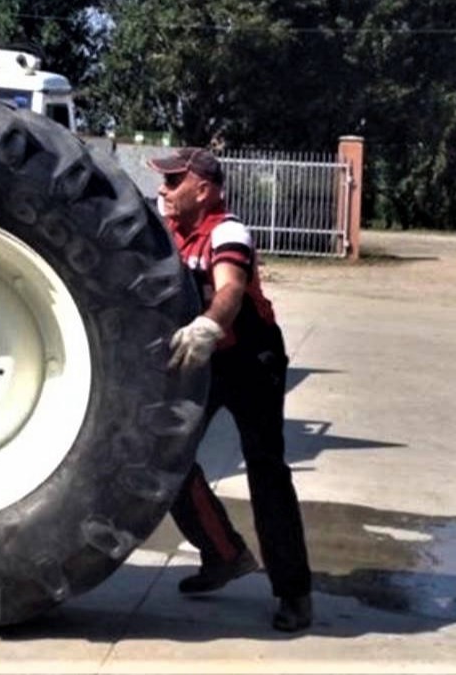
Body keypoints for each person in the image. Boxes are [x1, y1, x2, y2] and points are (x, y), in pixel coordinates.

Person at [150, 146, 313, 633]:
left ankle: (295, 593)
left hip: (252, 359)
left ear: (204, 189)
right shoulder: (170, 234)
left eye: (174, 180)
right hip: (208, 360)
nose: (164, 188)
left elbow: (231, 288)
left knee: (266, 469)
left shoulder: (226, 230)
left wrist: (207, 327)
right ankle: (224, 556)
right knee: (169, 458)